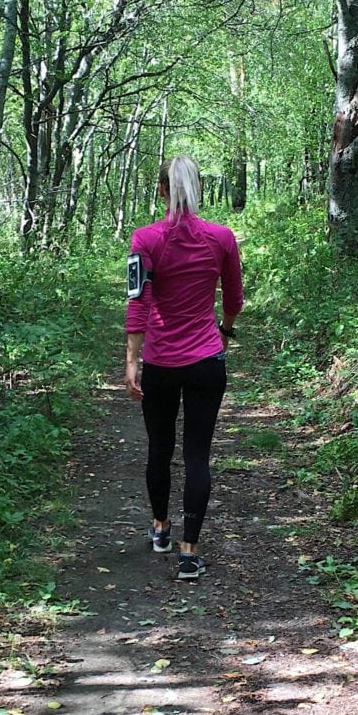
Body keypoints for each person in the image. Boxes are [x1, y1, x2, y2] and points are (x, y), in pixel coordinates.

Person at [124, 155, 243, 581]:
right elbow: (233, 299)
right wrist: (225, 331)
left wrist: (132, 360)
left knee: (159, 447)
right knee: (197, 455)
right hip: (206, 361)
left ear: (161, 190)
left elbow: (137, 303)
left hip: (159, 361)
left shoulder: (145, 239)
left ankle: (160, 530)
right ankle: (189, 553)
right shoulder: (222, 238)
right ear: (199, 189)